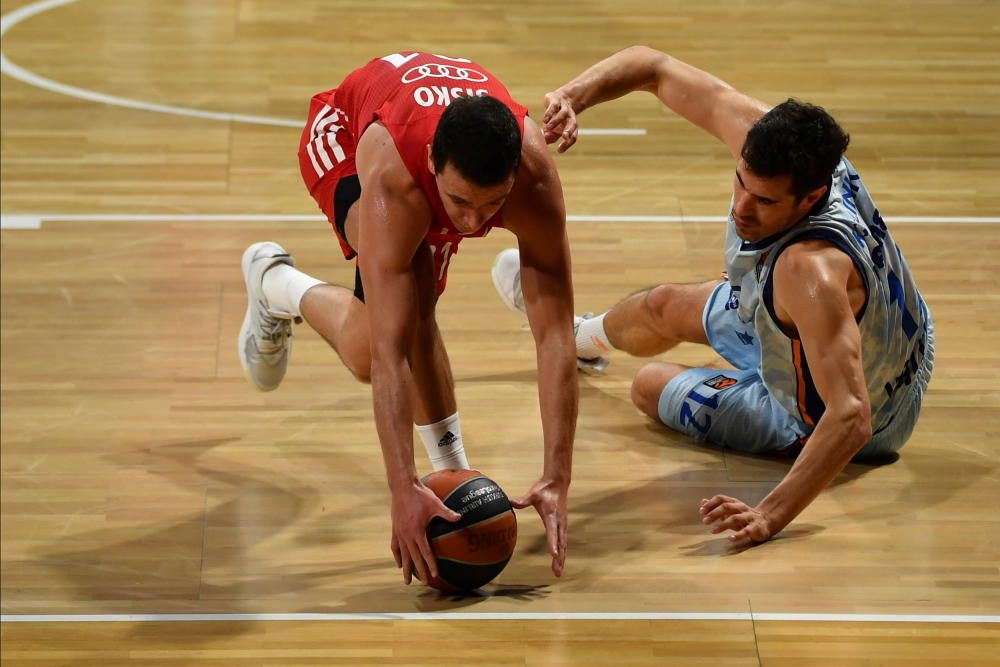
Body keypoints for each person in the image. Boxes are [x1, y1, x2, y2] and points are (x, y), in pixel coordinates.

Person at [492, 46, 933, 544]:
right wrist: (573, 96)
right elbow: (653, 68)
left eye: (765, 201)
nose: (743, 209)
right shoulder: (777, 145)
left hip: (847, 419)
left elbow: (851, 416)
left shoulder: (809, 271)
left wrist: (769, 515)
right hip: (893, 343)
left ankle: (752, 385)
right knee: (662, 305)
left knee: (649, 386)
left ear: (811, 198)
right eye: (740, 183)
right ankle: (577, 338)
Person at [239, 52, 577, 584]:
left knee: (372, 341)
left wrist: (558, 475)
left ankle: (276, 282)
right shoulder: (399, 177)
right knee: (390, 329)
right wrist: (403, 488)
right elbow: (391, 354)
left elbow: (556, 333)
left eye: (491, 207)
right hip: (345, 136)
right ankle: (271, 283)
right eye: (460, 201)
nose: (469, 223)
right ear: (432, 163)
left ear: (515, 176)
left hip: (418, 147)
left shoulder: (534, 179)